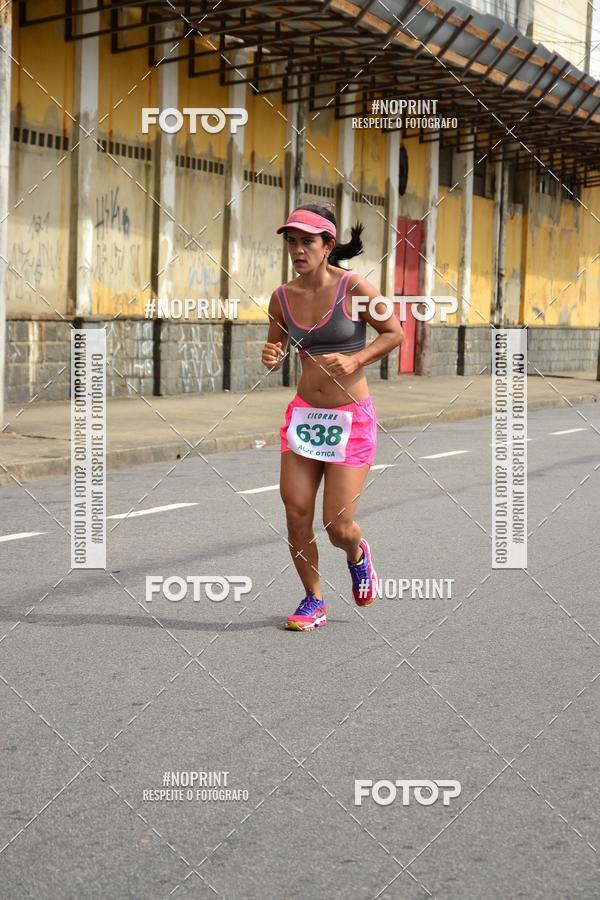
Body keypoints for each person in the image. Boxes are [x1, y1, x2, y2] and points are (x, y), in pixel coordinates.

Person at [261, 204, 404, 632]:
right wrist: (271, 356)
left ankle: (357, 554)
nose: (297, 250)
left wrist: (357, 358)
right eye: (292, 242)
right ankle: (313, 600)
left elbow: (394, 332)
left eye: (307, 241)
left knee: (337, 525)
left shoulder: (354, 287)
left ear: (327, 245)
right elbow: (276, 351)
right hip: (305, 417)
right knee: (296, 512)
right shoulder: (281, 297)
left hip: (350, 418)